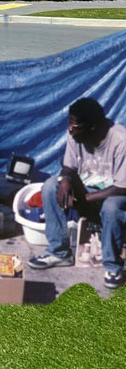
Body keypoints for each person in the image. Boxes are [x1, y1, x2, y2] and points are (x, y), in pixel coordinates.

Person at [31, 96, 126, 289]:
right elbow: (69, 165)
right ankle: (59, 252)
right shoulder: (75, 134)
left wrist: (84, 199)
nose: (71, 129)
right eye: (70, 124)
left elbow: (122, 187)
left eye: (76, 126)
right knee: (50, 186)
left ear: (92, 127)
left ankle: (113, 265)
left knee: (112, 207)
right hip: (87, 189)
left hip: (114, 193)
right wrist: (64, 179)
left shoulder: (120, 140)